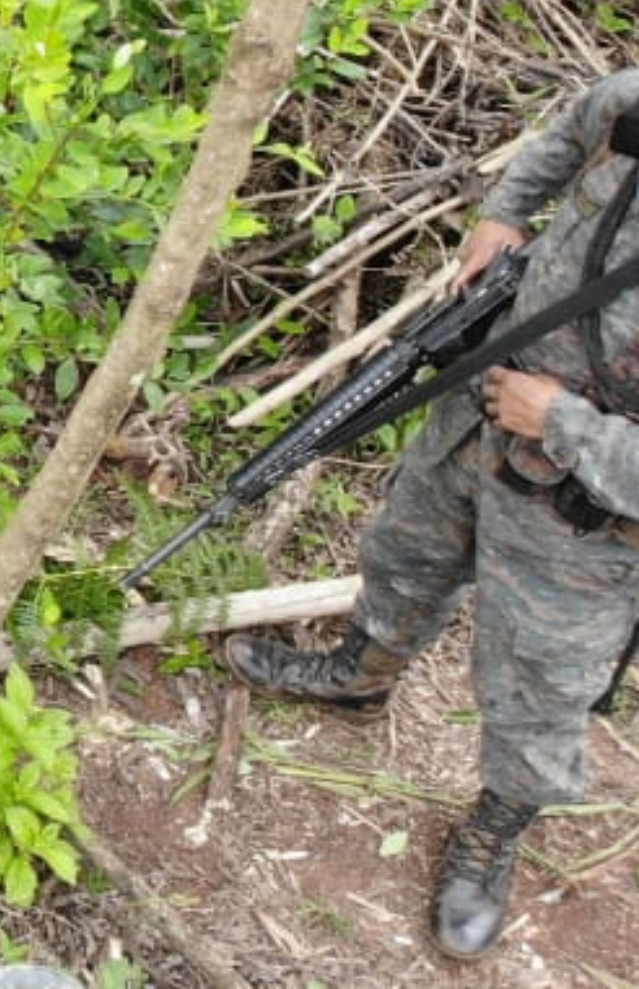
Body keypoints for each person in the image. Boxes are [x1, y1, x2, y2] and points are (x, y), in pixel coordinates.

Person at [221, 69, 639, 959]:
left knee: (542, 685)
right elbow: (570, 128)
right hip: (483, 402)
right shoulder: (634, 106)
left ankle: (495, 829)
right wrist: (507, 209)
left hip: (590, 508)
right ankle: (359, 673)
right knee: (406, 549)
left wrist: (563, 424)